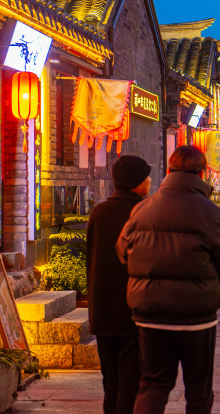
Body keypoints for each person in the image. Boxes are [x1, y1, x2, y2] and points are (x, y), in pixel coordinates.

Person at [116, 145, 220, 414]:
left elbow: (122, 250)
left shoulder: (144, 208)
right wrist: (210, 279)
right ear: (202, 172)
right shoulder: (210, 211)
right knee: (198, 389)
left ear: (169, 170)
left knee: (152, 384)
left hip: (150, 313)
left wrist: (145, 273)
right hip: (196, 315)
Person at [87, 155, 151, 414]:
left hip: (103, 310)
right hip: (133, 311)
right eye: (146, 176)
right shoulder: (144, 213)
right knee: (131, 382)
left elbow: (91, 258)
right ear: (136, 182)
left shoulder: (99, 212)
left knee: (110, 381)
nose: (149, 181)